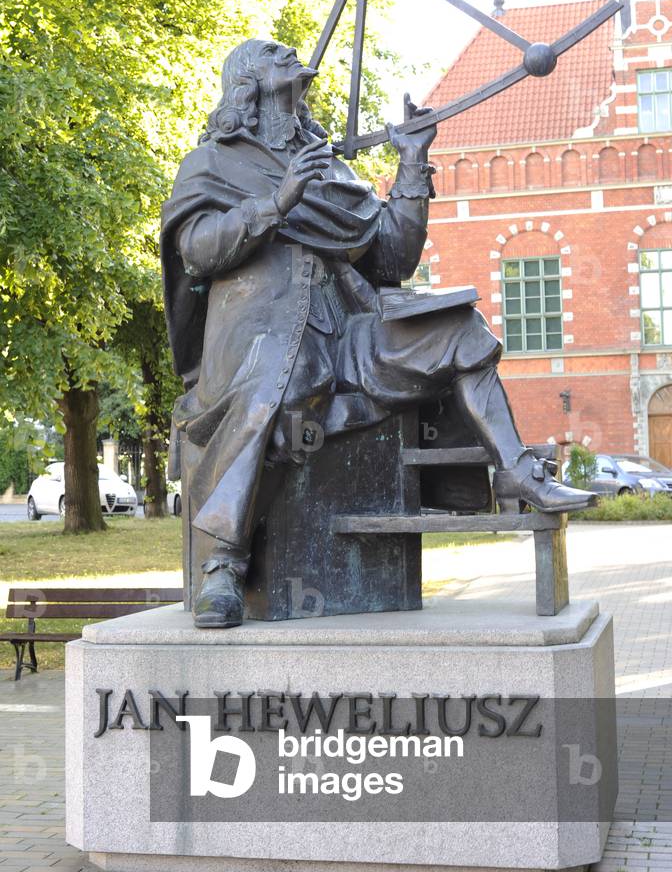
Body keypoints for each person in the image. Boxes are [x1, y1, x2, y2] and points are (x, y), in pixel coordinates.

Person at [161, 39, 595, 629]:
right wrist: (277, 202)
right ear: (248, 82)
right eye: (272, 52)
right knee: (276, 393)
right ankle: (225, 565)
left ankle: (515, 470)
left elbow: (392, 256)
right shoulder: (214, 163)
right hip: (259, 339)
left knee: (460, 329)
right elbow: (197, 249)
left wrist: (412, 162)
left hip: (343, 333)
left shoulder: (328, 165)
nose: (287, 51)